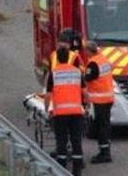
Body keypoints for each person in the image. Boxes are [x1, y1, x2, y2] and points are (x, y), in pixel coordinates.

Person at [44, 46, 89, 176]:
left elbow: (47, 96)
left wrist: (47, 110)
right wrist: (87, 106)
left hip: (60, 115)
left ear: (57, 58)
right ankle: (77, 171)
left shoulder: (54, 73)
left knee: (61, 141)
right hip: (76, 113)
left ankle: (62, 170)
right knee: (76, 141)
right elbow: (85, 93)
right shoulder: (77, 72)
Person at [85, 41, 114, 164]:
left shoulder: (93, 64)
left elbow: (87, 77)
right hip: (108, 98)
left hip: (99, 100)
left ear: (89, 51)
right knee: (105, 125)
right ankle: (105, 149)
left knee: (101, 127)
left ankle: (104, 153)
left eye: (86, 50)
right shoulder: (103, 59)